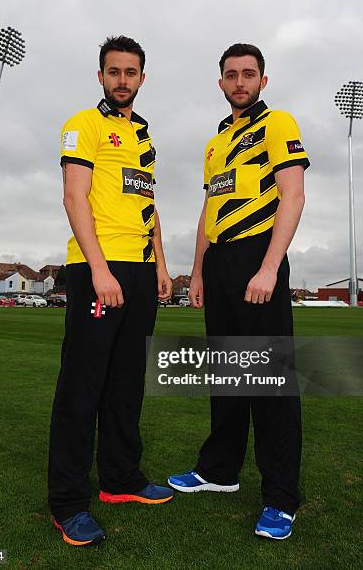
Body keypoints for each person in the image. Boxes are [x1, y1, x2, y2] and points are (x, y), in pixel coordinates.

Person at [168, 43, 309, 540]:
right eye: (232, 75)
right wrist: (199, 271)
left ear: (262, 81)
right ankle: (219, 472)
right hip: (221, 264)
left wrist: (270, 267)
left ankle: (281, 499)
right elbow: (209, 212)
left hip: (259, 258)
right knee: (226, 377)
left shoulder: (279, 124)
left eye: (249, 74)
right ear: (221, 83)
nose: (240, 82)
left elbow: (293, 195)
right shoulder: (215, 143)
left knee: (271, 384)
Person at [48, 35, 174, 547]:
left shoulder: (142, 135)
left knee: (126, 384)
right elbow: (74, 197)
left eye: (131, 72)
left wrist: (161, 267)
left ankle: (120, 480)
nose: (123, 80)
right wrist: (101, 269)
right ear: (100, 75)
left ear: (142, 78)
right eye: (114, 71)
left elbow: (148, 208)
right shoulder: (84, 124)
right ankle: (68, 502)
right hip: (99, 268)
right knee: (83, 388)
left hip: (141, 272)